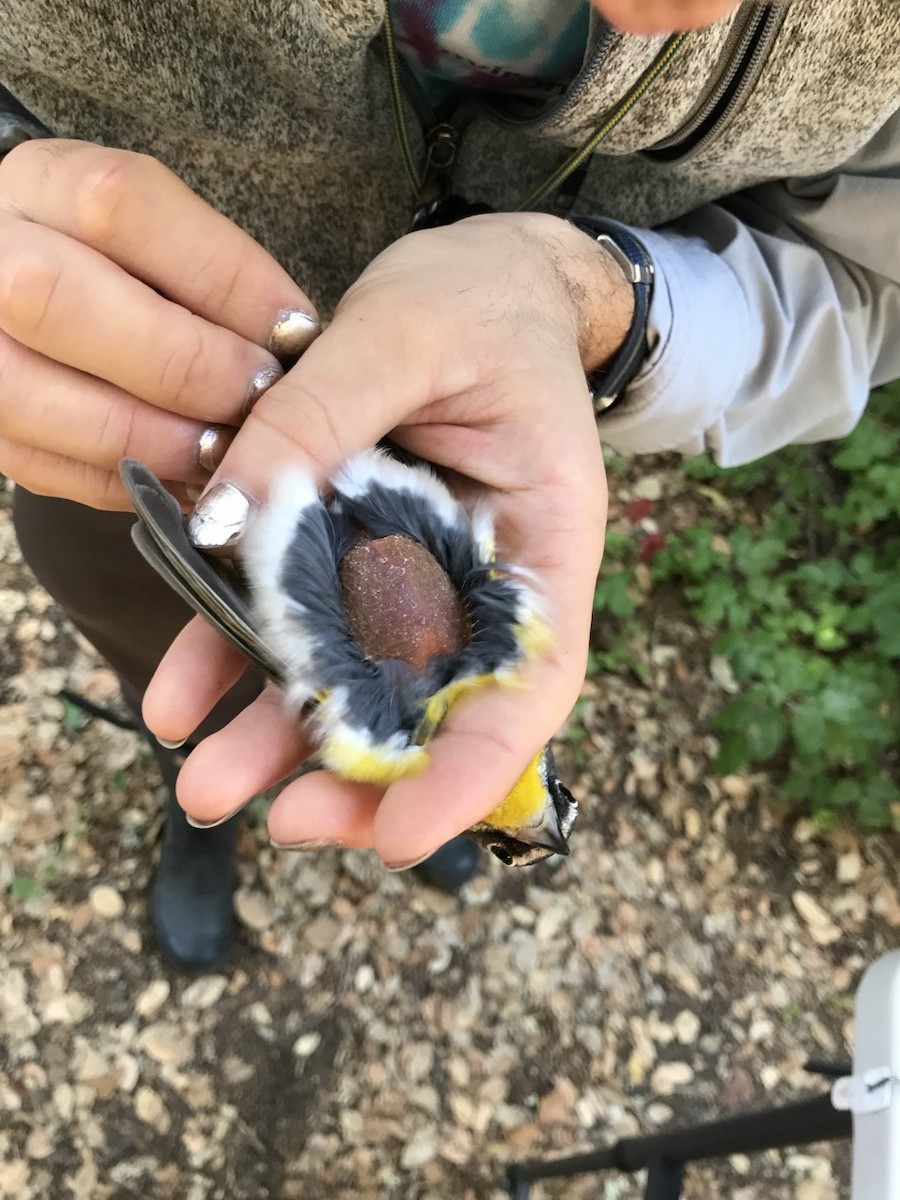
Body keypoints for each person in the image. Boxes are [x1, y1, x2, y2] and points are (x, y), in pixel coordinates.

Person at [2, 0, 898, 970]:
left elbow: (867, 275)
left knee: (454, 732)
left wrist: (600, 304)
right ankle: (192, 797)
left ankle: (457, 806)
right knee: (173, 665)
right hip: (134, 409)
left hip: (501, 452)